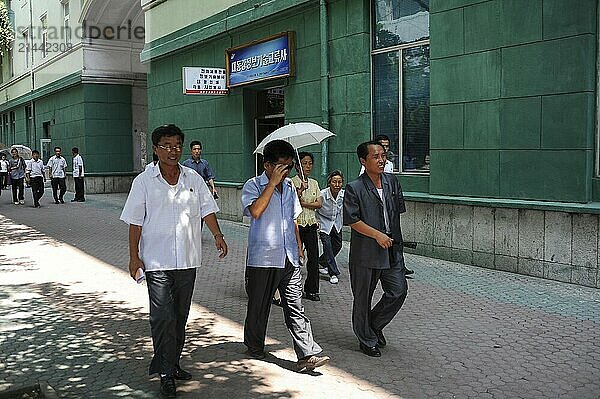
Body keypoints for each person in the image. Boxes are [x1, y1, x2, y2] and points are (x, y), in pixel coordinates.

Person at [120, 124, 228, 398]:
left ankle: (172, 363)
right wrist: (134, 258)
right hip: (156, 262)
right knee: (161, 317)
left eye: (177, 145)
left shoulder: (193, 178)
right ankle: (166, 372)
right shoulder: (144, 181)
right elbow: (134, 223)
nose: (173, 150)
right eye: (166, 145)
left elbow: (207, 210)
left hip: (187, 260)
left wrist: (218, 235)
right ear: (155, 149)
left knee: (179, 316)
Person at [241, 139, 329, 371]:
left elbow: (293, 219)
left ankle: (307, 353)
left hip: (289, 256)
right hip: (263, 258)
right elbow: (256, 212)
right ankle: (254, 345)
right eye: (282, 166)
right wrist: (271, 184)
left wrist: (299, 247)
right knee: (259, 307)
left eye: (290, 167)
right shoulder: (253, 185)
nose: (287, 171)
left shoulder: (290, 187)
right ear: (267, 165)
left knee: (295, 305)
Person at [343, 140, 409, 358]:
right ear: (363, 161)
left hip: (392, 250)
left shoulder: (392, 182)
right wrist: (377, 235)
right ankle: (366, 338)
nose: (381, 160)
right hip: (366, 252)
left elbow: (396, 212)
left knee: (398, 291)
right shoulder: (355, 187)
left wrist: (391, 238)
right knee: (362, 298)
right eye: (375, 156)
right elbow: (352, 220)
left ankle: (372, 324)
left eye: (383, 155)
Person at [291, 152, 322, 301]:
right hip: (296, 224)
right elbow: (291, 203)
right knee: (295, 257)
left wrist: (303, 203)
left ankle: (312, 290)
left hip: (311, 224)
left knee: (314, 258)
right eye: (304, 163)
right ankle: (293, 288)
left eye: (310, 163)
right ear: (297, 166)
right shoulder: (291, 182)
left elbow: (319, 203)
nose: (308, 166)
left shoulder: (314, 183)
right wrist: (301, 190)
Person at [316, 170, 345, 285]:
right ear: (329, 183)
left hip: (336, 222)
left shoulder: (344, 194)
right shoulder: (322, 194)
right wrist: (316, 220)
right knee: (327, 246)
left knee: (338, 245)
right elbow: (315, 207)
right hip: (323, 222)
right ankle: (333, 273)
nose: (337, 185)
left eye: (339, 182)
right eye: (334, 182)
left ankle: (320, 262)